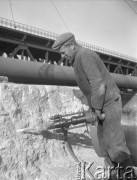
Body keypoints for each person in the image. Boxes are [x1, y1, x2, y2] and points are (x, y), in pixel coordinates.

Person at [52, 32, 135, 179]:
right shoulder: (77, 58)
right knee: (104, 145)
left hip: (109, 103)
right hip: (102, 104)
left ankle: (129, 176)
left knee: (116, 146)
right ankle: (114, 175)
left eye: (63, 52)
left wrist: (96, 108)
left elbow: (99, 84)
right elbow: (91, 86)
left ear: (72, 46)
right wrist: (92, 106)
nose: (62, 56)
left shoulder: (84, 56)